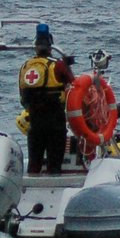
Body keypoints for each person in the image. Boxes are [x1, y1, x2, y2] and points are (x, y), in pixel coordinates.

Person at [18, 23, 76, 174]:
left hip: (35, 123)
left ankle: (29, 192)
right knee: (54, 163)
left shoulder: (25, 66)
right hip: (55, 123)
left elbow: (23, 98)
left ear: (36, 47)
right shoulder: (58, 65)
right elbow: (74, 84)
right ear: (50, 47)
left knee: (34, 164)